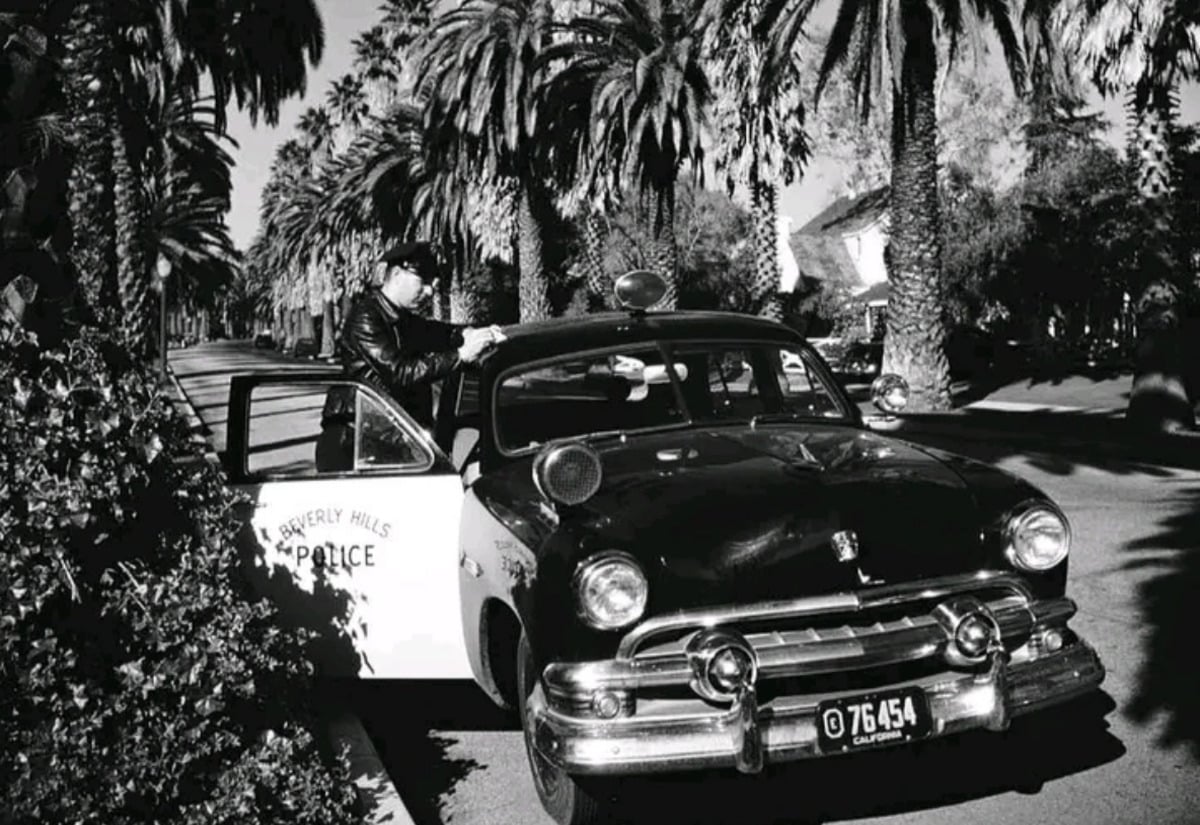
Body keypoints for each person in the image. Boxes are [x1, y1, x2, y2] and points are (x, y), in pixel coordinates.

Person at [315, 242, 501, 471]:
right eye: (422, 282)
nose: (429, 291)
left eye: (431, 284)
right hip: (355, 444)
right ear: (395, 274)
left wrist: (469, 333)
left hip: (385, 436)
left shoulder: (402, 318)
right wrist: (461, 355)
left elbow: (439, 332)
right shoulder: (366, 317)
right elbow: (400, 372)